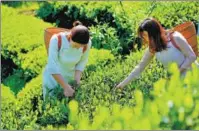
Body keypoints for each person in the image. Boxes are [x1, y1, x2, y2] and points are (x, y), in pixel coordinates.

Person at [116, 18, 198, 89]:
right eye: (142, 36)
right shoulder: (153, 48)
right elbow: (140, 67)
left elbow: (192, 56)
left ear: (153, 33)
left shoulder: (175, 37)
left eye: (145, 35)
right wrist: (122, 85)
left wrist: (178, 72)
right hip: (179, 83)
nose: (144, 38)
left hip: (194, 77)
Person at [42, 21, 92, 99]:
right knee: (52, 106)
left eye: (80, 47)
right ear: (70, 36)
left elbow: (82, 62)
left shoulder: (87, 44)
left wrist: (76, 82)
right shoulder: (57, 39)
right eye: (75, 45)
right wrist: (65, 86)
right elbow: (52, 66)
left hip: (70, 79)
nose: (78, 48)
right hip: (52, 80)